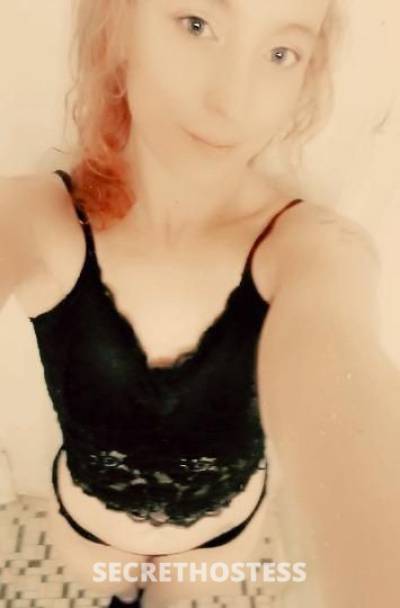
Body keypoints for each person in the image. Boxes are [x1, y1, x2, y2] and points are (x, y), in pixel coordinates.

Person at [1, 1, 399, 607]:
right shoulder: (35, 219)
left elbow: (349, 398)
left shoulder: (312, 253)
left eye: (281, 53)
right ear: (119, 25)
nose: (231, 103)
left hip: (219, 543)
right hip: (90, 534)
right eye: (197, 25)